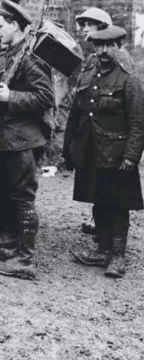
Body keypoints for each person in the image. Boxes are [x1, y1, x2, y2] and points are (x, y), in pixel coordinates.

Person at [64, 26, 144, 278]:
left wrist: (131, 155)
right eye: (100, 46)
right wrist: (69, 149)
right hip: (91, 150)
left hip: (116, 154)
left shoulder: (128, 79)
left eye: (110, 45)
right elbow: (75, 115)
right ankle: (102, 249)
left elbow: (138, 121)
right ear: (94, 48)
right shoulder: (87, 75)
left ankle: (117, 256)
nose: (105, 51)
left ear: (119, 46)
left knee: (118, 205)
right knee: (98, 200)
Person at [0, 0, 55, 281]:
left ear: (16, 25)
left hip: (24, 141)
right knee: (10, 196)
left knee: (23, 199)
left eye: (0, 25)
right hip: (7, 139)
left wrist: (11, 97)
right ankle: (15, 247)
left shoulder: (30, 58)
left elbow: (46, 97)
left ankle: (25, 259)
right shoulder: (9, 53)